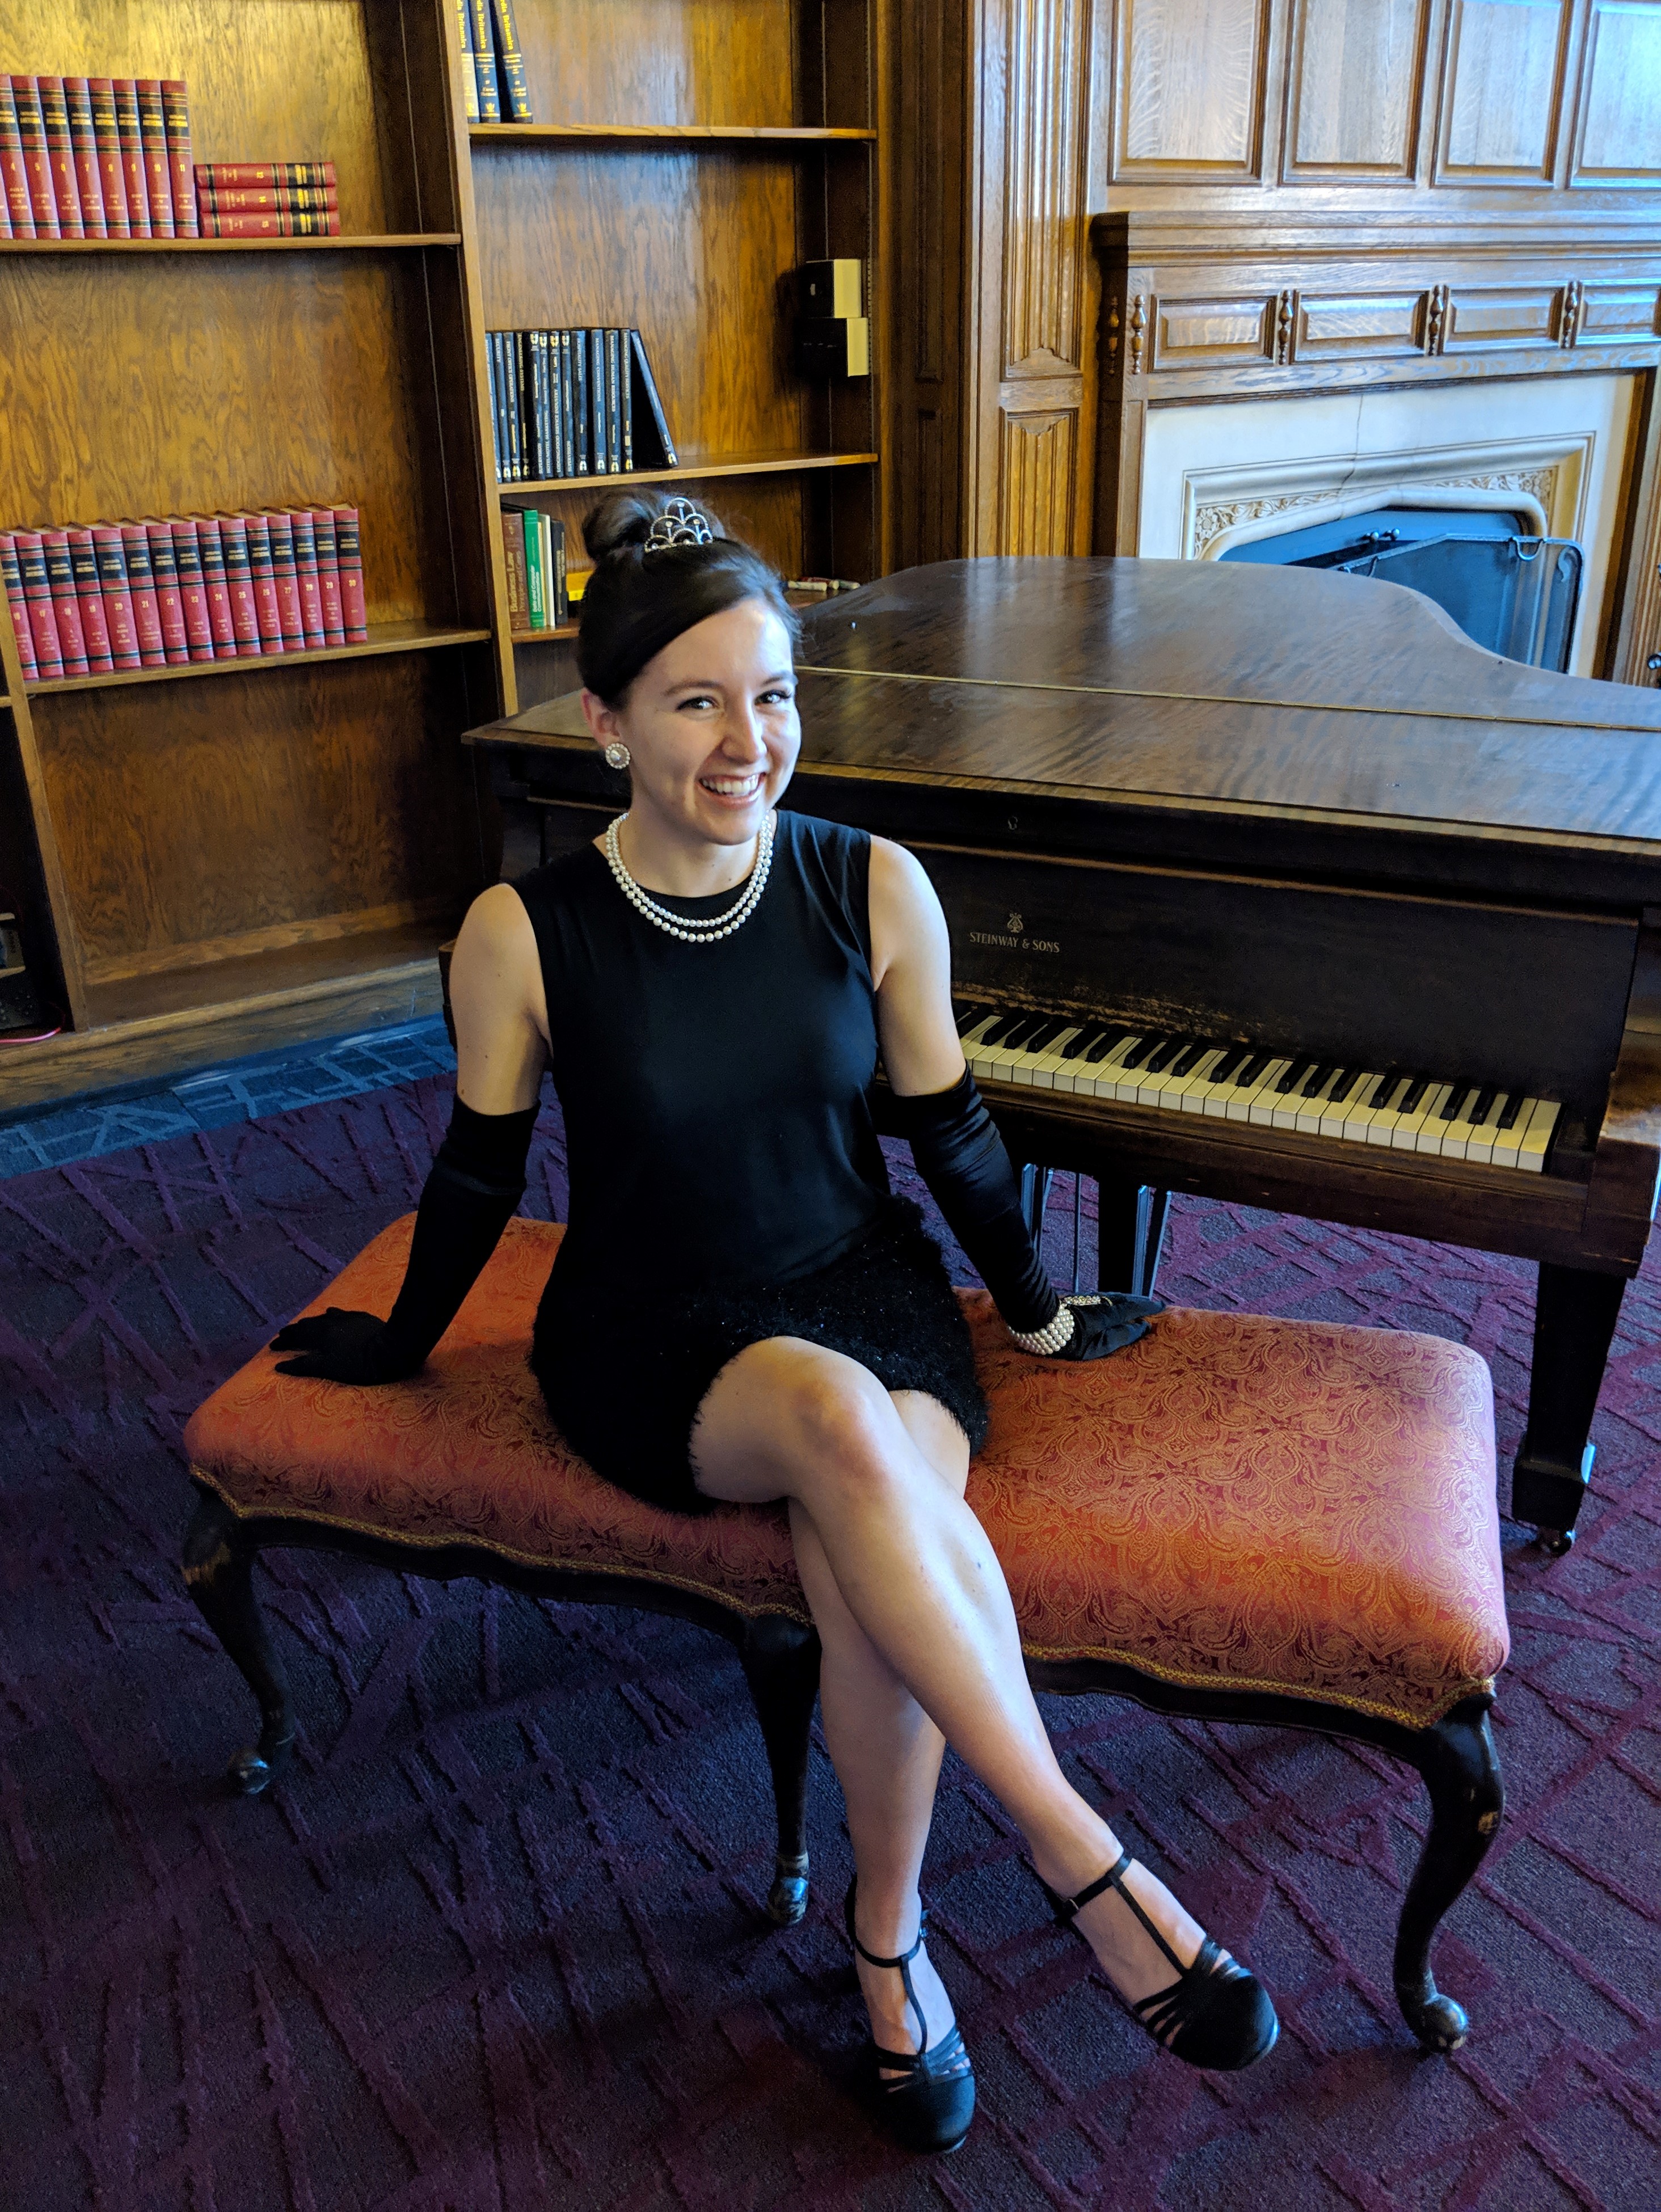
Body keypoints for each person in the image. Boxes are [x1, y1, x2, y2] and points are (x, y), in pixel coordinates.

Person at [271, 492, 1278, 2155]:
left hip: (861, 1284)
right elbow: (475, 1168)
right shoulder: (526, 932)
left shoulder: (872, 883)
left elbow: (949, 1132)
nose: (754, 740)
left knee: (871, 1522)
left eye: (779, 694)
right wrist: (401, 1332)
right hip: (652, 1325)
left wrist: (1030, 1309)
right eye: (697, 701)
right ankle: (1076, 1854)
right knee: (835, 1430)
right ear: (602, 725)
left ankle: (887, 1946)